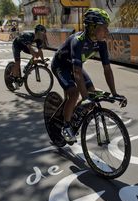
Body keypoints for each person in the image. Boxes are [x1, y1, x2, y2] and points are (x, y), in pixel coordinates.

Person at [51, 8, 127, 143]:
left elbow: (107, 69)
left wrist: (114, 93)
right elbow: (77, 73)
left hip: (75, 68)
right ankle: (66, 126)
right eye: (104, 28)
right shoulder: (78, 41)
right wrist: (85, 98)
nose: (107, 32)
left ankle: (74, 113)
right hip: (61, 66)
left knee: (91, 92)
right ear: (92, 28)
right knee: (74, 94)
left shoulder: (101, 43)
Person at [11, 24, 47, 89]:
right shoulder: (29, 36)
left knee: (36, 54)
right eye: (43, 33)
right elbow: (30, 49)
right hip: (16, 45)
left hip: (24, 46)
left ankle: (27, 67)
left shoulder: (38, 40)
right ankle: (15, 79)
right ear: (38, 33)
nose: (44, 35)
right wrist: (35, 58)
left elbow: (40, 52)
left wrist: (43, 60)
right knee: (18, 62)